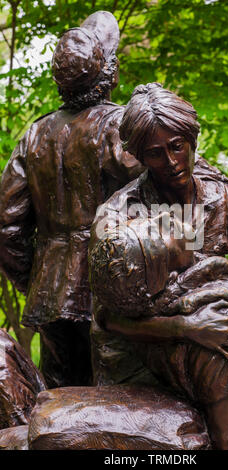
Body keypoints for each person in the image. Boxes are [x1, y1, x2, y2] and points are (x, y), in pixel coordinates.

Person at [89, 82, 228, 449]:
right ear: (138, 155)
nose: (171, 162)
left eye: (177, 147)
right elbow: (107, 318)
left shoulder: (216, 195)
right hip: (147, 348)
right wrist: (186, 327)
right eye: (156, 154)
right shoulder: (120, 216)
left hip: (217, 331)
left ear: (191, 140)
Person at [0, 11, 143, 388]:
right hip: (111, 292)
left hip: (50, 296)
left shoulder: (35, 135)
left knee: (59, 407)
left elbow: (7, 226)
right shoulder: (118, 127)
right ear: (110, 75)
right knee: (117, 412)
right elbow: (169, 197)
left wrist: (34, 279)